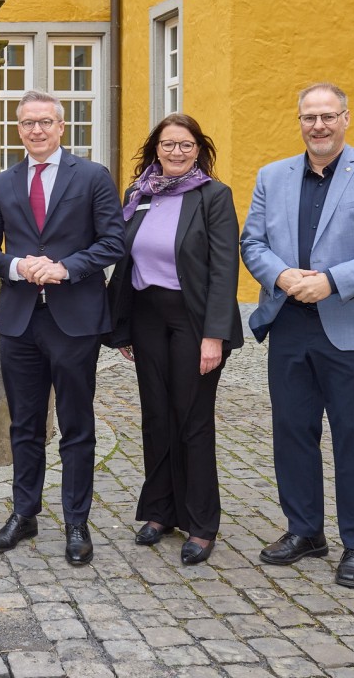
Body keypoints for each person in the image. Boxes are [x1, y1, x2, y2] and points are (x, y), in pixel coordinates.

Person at [241, 83, 354, 589]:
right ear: (299, 121)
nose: (318, 125)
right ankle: (305, 530)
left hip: (353, 326)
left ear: (345, 118)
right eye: (309, 117)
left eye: (328, 116)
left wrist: (331, 281)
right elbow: (252, 242)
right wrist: (280, 275)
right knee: (292, 432)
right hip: (289, 323)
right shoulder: (272, 176)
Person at [0, 89, 124, 564]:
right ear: (17, 129)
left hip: (75, 319)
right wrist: (18, 266)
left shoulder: (93, 176)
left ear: (61, 126)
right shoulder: (2, 183)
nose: (36, 130)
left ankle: (77, 521)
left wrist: (64, 267)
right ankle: (24, 513)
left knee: (76, 425)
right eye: (27, 123)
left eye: (45, 122)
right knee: (24, 424)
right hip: (20, 321)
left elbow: (113, 241)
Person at [106, 113, 243, 565]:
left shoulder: (213, 196)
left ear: (198, 150)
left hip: (194, 320)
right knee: (156, 417)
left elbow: (224, 269)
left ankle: (201, 523)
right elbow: (125, 263)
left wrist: (214, 336)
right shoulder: (139, 194)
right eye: (168, 144)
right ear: (156, 149)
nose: (176, 152)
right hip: (147, 316)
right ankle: (160, 511)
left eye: (185, 145)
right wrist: (122, 325)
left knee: (192, 420)